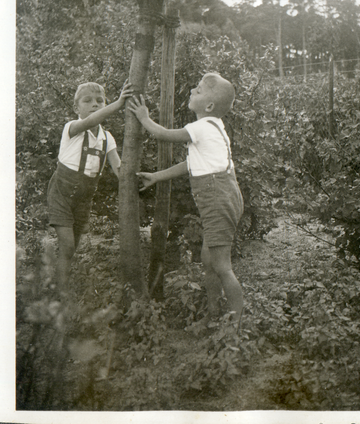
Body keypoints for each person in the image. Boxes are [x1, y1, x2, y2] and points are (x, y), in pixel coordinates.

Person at [128, 72, 244, 327]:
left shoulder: (201, 127)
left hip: (217, 199)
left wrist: (144, 118)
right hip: (223, 195)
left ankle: (236, 326)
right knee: (208, 259)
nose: (192, 90)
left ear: (209, 106)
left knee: (222, 266)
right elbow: (189, 164)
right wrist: (158, 176)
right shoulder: (214, 129)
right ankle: (214, 311)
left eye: (199, 90)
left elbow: (161, 135)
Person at [47, 79, 133, 295]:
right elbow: (93, 120)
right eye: (88, 101)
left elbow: (118, 168)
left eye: (99, 101)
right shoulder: (72, 129)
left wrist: (133, 178)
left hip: (84, 199)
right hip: (62, 194)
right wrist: (119, 103)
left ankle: (59, 284)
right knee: (66, 245)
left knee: (71, 248)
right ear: (77, 108)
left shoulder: (107, 138)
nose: (95, 104)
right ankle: (61, 297)